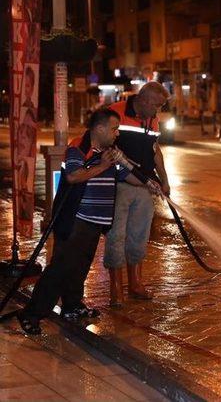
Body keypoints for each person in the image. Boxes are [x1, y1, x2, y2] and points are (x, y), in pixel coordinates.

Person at [16, 109, 160, 335]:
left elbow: (124, 174)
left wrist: (147, 183)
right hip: (77, 220)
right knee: (60, 269)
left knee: (80, 266)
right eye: (114, 129)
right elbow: (73, 176)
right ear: (99, 129)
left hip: (95, 222)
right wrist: (102, 165)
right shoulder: (78, 148)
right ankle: (31, 314)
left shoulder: (109, 152)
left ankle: (72, 306)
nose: (117, 134)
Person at [104, 81, 171, 307]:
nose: (158, 111)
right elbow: (107, 149)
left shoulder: (151, 118)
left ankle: (135, 283)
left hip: (144, 186)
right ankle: (115, 288)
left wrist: (164, 180)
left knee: (139, 235)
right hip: (118, 185)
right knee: (116, 235)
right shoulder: (115, 113)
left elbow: (155, 151)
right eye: (157, 105)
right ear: (144, 100)